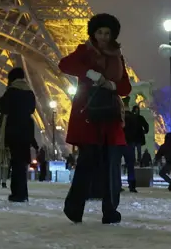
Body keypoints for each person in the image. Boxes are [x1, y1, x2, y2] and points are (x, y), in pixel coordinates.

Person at [58, 13, 132, 224]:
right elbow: (64, 64)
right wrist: (90, 73)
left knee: (111, 166)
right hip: (89, 115)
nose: (103, 37)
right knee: (87, 163)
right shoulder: (85, 51)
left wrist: (113, 85)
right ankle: (74, 208)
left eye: (107, 33)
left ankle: (110, 211)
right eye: (99, 32)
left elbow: (126, 87)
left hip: (109, 116)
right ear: (93, 32)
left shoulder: (118, 56)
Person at [0, 67, 37, 202]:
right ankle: (23, 192)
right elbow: (32, 110)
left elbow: (2, 108)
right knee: (23, 164)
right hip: (26, 131)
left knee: (16, 163)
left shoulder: (11, 92)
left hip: (14, 130)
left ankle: (17, 194)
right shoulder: (30, 92)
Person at [122, 103, 149, 193]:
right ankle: (132, 185)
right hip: (130, 142)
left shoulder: (119, 116)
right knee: (130, 164)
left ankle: (117, 184)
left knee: (116, 164)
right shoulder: (135, 118)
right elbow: (143, 127)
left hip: (119, 142)